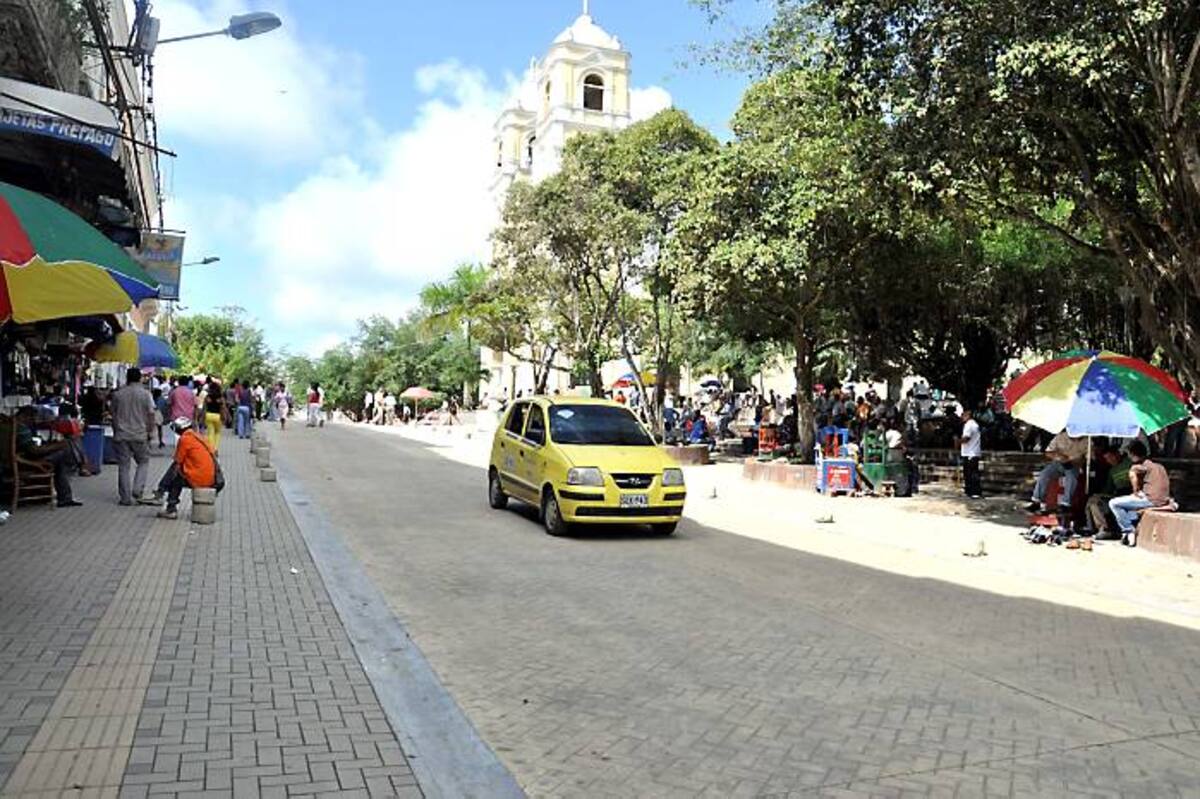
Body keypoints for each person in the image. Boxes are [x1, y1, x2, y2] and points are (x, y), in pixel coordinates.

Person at [1109, 441, 1174, 547]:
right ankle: (1128, 532)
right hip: (1162, 499)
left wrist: (1135, 492)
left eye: (1129, 455)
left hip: (1150, 499)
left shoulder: (1140, 466)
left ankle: (1128, 531)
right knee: (1128, 511)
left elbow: (1132, 474)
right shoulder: (1159, 466)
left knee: (1113, 503)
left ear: (1133, 455)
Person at [14, 407, 83, 507]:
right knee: (63, 452)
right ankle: (65, 496)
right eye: (33, 419)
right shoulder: (21, 428)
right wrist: (56, 446)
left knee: (62, 453)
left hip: (18, 458)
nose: (34, 422)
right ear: (26, 416)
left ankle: (65, 496)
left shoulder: (10, 424)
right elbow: (34, 451)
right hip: (25, 462)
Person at [110, 367, 158, 506]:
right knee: (143, 462)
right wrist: (150, 432)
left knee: (124, 466)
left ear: (127, 377)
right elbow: (151, 414)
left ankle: (125, 498)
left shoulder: (118, 394)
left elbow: (113, 415)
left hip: (121, 434)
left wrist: (115, 430)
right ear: (139, 378)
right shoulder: (145, 394)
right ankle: (137, 489)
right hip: (139, 434)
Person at [154, 417, 218, 520]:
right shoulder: (198, 436)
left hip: (199, 478)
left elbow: (178, 461)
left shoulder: (185, 439)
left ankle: (170, 507)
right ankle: (161, 490)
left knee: (175, 477)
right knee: (176, 473)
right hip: (210, 476)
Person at [1025, 431, 1089, 515]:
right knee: (1044, 474)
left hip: (1074, 464)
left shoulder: (1086, 441)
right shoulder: (1060, 437)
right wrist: (1059, 456)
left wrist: (1078, 461)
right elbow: (1048, 452)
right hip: (1059, 462)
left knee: (1072, 478)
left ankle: (1066, 504)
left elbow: (1088, 458)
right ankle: (1036, 501)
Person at [1084, 445, 1133, 539]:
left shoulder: (1128, 463)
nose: (1109, 461)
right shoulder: (1112, 471)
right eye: (1106, 459)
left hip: (1129, 492)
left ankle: (1104, 529)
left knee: (1094, 500)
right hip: (1117, 494)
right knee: (1092, 501)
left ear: (1117, 454)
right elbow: (1108, 489)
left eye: (1110, 457)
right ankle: (1097, 528)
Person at [959, 409, 983, 498]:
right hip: (972, 452)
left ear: (967, 415)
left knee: (971, 473)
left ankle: (974, 491)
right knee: (970, 473)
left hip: (970, 453)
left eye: (963, 415)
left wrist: (958, 441)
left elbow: (966, 438)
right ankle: (970, 490)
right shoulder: (975, 424)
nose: (962, 417)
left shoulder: (969, 425)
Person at [203, 378, 227, 453]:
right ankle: (215, 448)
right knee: (217, 433)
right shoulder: (220, 397)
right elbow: (223, 407)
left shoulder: (207, 397)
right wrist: (225, 416)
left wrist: (202, 416)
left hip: (208, 415)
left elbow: (205, 407)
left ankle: (211, 449)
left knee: (210, 433)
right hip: (217, 416)